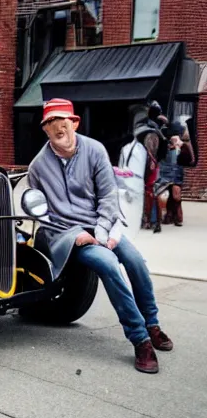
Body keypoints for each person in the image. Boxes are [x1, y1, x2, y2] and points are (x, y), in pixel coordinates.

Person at [28, 98, 173, 374]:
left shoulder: (95, 150)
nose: (59, 129)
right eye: (52, 124)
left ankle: (152, 324)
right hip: (69, 236)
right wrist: (75, 235)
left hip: (102, 225)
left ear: (74, 123)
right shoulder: (37, 167)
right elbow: (42, 216)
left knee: (135, 260)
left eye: (64, 123)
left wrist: (104, 231)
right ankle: (140, 340)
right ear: (45, 129)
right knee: (107, 264)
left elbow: (108, 195)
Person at [155, 121, 195, 227]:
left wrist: (182, 146)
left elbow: (191, 159)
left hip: (176, 172)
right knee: (167, 194)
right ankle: (169, 215)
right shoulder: (164, 143)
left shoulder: (183, 145)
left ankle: (177, 217)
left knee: (176, 195)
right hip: (165, 171)